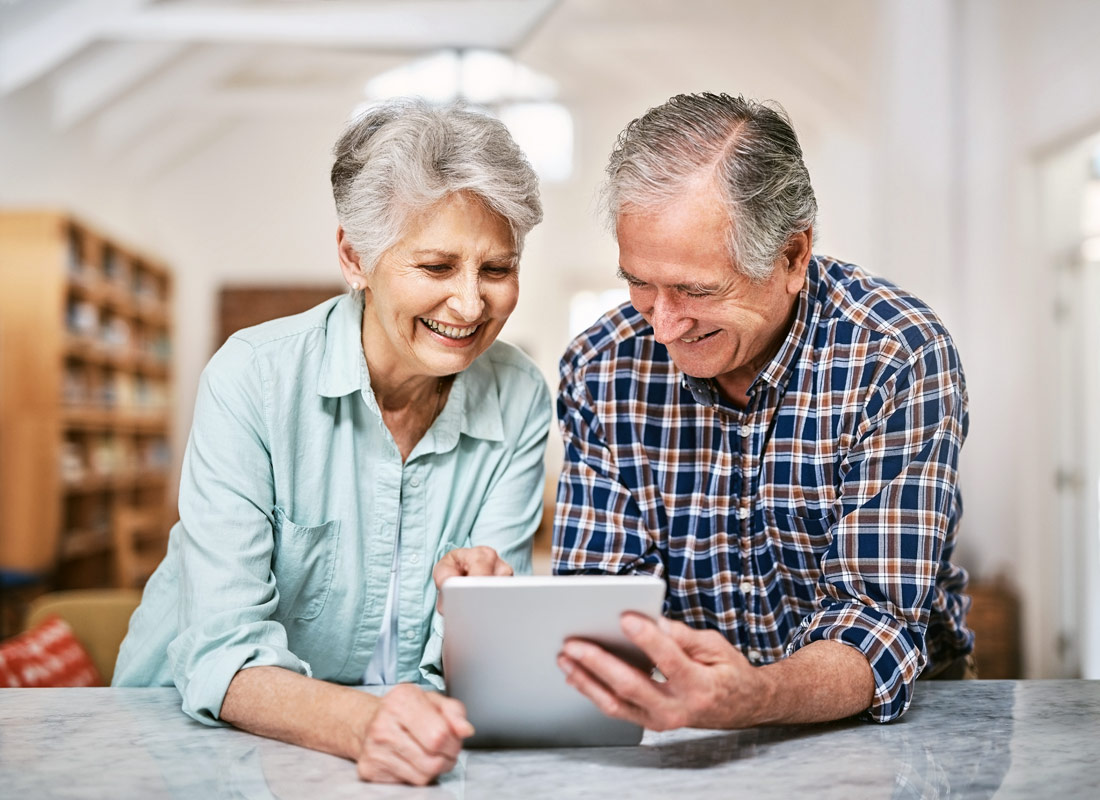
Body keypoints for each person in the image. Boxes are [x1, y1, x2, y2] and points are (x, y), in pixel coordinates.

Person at [113, 99, 551, 785]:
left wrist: (477, 621)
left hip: (402, 751)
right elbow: (223, 649)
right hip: (182, 742)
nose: (469, 305)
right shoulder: (251, 379)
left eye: (496, 270)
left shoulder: (520, 397)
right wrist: (360, 724)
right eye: (436, 268)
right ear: (355, 256)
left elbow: (468, 671)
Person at [553, 92, 973, 732]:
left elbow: (875, 622)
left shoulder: (895, 356)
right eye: (639, 282)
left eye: (696, 290)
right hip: (682, 727)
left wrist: (753, 697)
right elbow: (596, 600)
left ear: (793, 257)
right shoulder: (600, 367)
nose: (663, 325)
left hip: (893, 730)